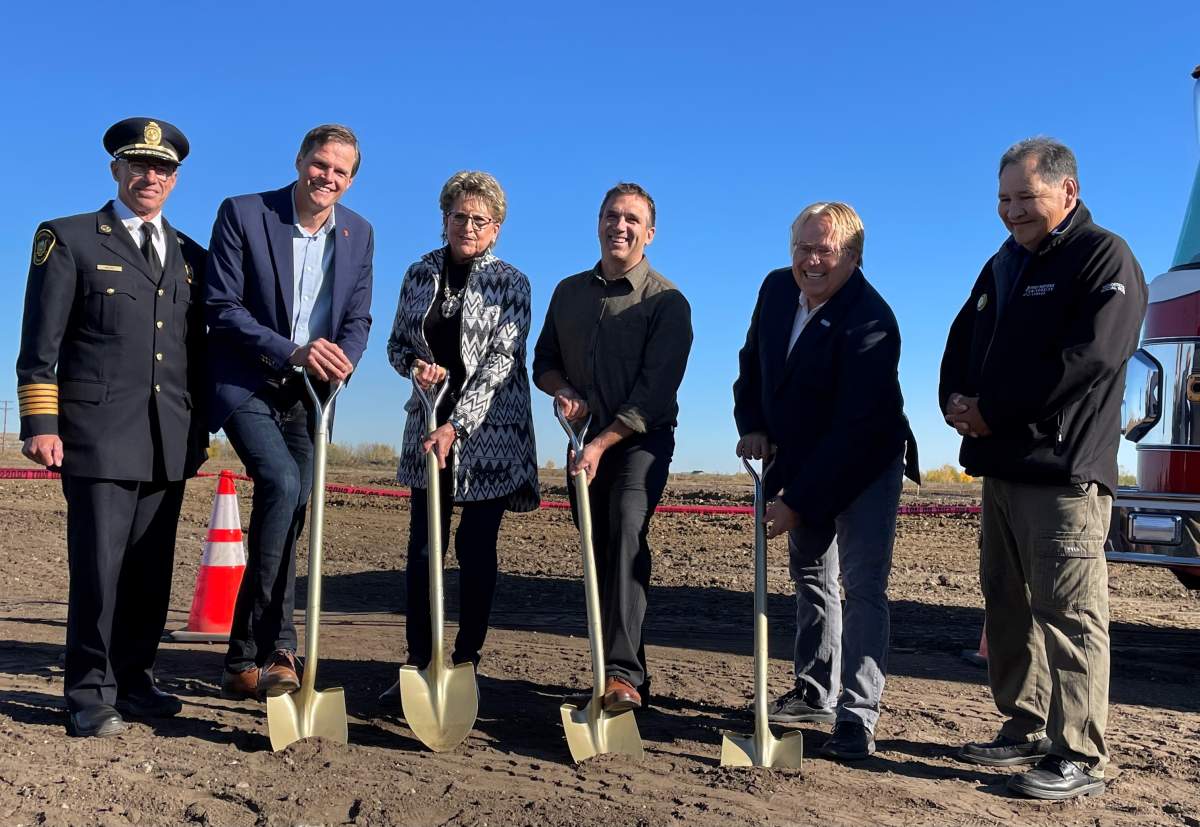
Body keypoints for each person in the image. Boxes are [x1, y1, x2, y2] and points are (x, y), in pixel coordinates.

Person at [940, 137, 1147, 799]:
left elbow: (1089, 359)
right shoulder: (1003, 264)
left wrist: (993, 407)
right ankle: (1025, 725)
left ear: (1068, 192)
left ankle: (1079, 753)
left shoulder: (1103, 258)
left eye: (1025, 197)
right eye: (1004, 198)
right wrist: (954, 400)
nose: (1012, 211)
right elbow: (961, 337)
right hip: (1002, 469)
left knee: (1069, 613)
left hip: (1063, 472)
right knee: (1007, 606)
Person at [16, 117, 208, 737]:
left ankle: (133, 677)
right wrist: (40, 423)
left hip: (166, 441)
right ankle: (89, 692)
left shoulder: (192, 259)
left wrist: (199, 432)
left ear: (176, 180)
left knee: (151, 573)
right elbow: (38, 345)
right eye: (138, 165)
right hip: (95, 436)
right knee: (99, 570)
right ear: (116, 170)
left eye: (163, 169)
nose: (150, 177)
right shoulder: (69, 239)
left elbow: (194, 357)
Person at [732, 202, 919, 761]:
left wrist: (798, 501)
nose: (812, 261)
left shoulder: (871, 319)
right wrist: (755, 424)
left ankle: (857, 714)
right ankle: (815, 690)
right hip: (798, 452)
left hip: (864, 461)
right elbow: (752, 363)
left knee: (861, 586)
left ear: (854, 258)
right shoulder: (774, 290)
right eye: (803, 249)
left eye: (826, 251)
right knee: (811, 573)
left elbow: (856, 430)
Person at [206, 124, 374, 701]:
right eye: (320, 164)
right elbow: (220, 306)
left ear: (351, 180)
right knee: (279, 482)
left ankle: (238, 659)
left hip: (310, 394)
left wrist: (342, 361)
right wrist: (292, 349)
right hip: (247, 379)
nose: (327, 178)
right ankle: (281, 647)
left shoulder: (359, 234)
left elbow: (357, 320)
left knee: (292, 507)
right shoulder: (245, 213)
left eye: (341, 172)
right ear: (300, 160)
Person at [379, 171, 539, 703]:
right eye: (459, 216)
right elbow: (398, 343)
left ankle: (466, 661)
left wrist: (459, 424)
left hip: (491, 435)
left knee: (475, 547)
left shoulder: (511, 283)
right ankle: (420, 664)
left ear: (496, 229)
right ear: (444, 218)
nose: (468, 226)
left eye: (480, 220)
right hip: (427, 427)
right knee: (424, 548)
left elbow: (500, 363)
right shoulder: (419, 273)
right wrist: (417, 368)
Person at [533, 182, 692, 711]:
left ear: (649, 232)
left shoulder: (667, 303)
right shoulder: (568, 293)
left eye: (631, 219)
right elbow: (544, 362)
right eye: (610, 216)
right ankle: (617, 671)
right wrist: (563, 391)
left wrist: (601, 442)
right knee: (597, 550)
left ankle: (622, 674)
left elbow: (654, 393)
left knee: (626, 531)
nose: (618, 226)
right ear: (598, 223)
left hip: (639, 445)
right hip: (584, 444)